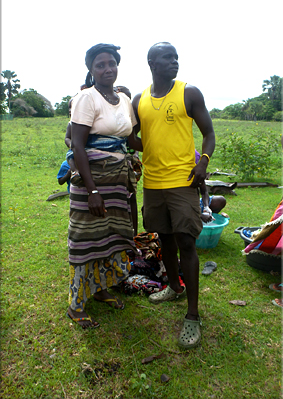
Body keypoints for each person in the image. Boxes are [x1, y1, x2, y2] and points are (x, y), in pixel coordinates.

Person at [132, 42, 215, 349]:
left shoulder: (189, 93)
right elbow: (131, 135)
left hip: (183, 181)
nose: (174, 62)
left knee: (186, 242)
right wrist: (149, 150)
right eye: (167, 58)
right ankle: (174, 287)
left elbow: (209, 133)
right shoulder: (139, 100)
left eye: (176, 58)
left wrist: (202, 163)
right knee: (164, 237)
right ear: (152, 62)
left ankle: (192, 315)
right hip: (152, 183)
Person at [67, 43, 141, 329]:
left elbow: (131, 141)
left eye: (111, 63)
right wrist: (92, 191)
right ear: (91, 69)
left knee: (111, 237)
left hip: (118, 180)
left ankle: (100, 289)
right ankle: (76, 305)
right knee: (87, 240)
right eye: (100, 64)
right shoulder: (86, 98)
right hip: (93, 181)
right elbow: (78, 145)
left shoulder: (122, 99)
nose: (107, 68)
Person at [195, 150, 227, 223]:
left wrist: (206, 206)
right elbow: (179, 204)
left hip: (196, 204)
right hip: (183, 208)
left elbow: (204, 192)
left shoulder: (197, 174)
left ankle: (208, 218)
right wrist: (199, 214)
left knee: (220, 200)